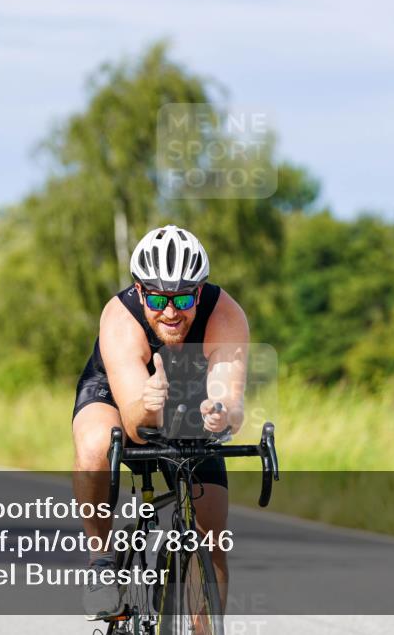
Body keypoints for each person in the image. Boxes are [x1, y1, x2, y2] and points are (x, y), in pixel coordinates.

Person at [72, 225, 249, 619]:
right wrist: (150, 402)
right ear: (139, 291)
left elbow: (230, 397)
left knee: (212, 532)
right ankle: (101, 563)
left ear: (199, 292)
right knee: (97, 444)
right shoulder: (120, 317)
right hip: (117, 394)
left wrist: (220, 411)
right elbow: (137, 425)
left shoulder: (225, 314)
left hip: (189, 399)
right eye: (157, 299)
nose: (171, 312)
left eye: (183, 298)